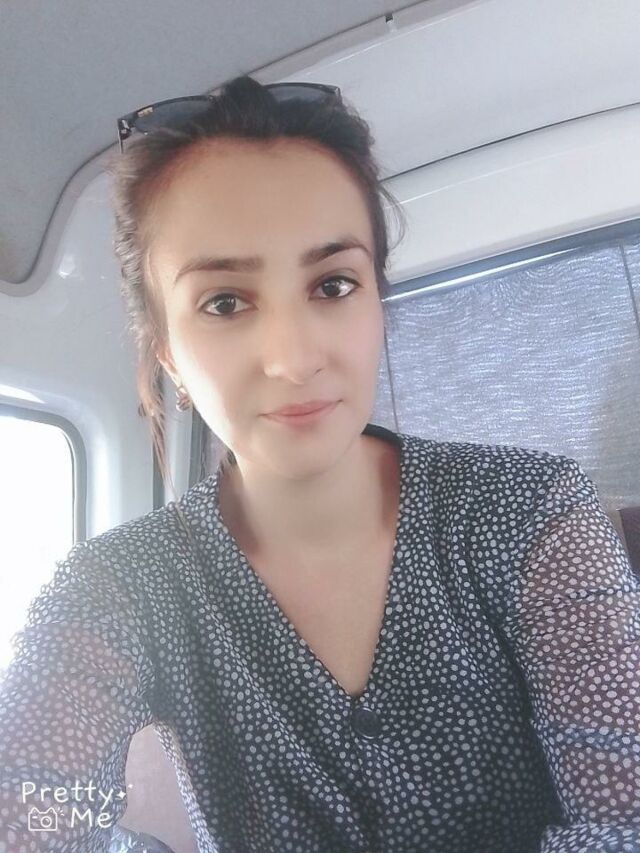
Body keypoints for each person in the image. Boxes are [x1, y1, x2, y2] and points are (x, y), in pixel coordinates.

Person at [0, 75, 639, 853]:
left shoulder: (529, 510)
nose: (294, 358)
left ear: (377, 305)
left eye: (333, 285)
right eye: (225, 302)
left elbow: (628, 816)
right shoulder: (121, 586)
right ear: (167, 352)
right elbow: (28, 818)